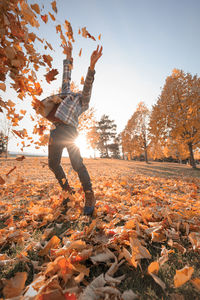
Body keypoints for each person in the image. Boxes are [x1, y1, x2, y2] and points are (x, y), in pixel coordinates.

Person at [47, 43, 103, 216]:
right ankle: (68, 191)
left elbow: (87, 86)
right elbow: (66, 76)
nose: (77, 92)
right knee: (53, 163)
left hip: (70, 132)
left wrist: (91, 66)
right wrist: (69, 57)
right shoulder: (66, 93)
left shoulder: (83, 101)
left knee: (77, 163)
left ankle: (89, 194)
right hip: (56, 130)